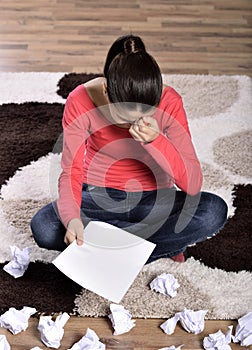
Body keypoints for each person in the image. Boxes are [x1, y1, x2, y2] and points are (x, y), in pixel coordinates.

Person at [30, 34, 227, 263]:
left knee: (212, 211)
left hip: (156, 200)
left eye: (146, 114)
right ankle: (154, 245)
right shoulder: (81, 100)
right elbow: (71, 171)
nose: (134, 125)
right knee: (44, 227)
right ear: (106, 91)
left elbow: (192, 184)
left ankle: (111, 250)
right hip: (98, 196)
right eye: (123, 117)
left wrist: (156, 141)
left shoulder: (170, 101)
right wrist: (73, 219)